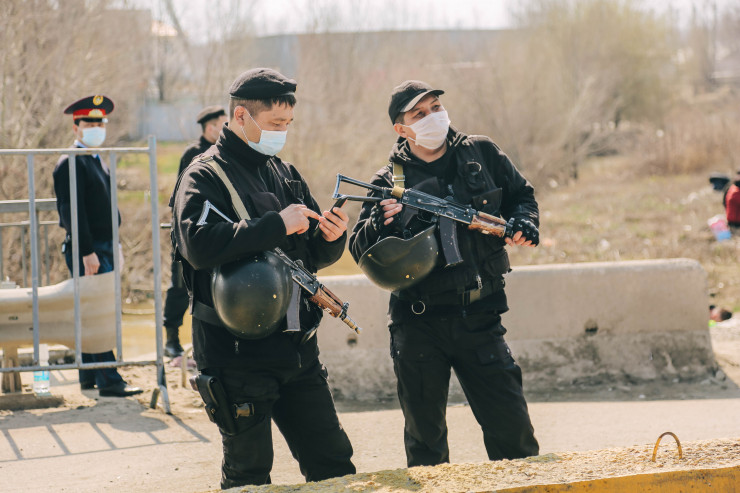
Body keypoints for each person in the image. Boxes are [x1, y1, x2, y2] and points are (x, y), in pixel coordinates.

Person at [171, 68, 355, 488]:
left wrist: (332, 238)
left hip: (297, 349)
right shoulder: (202, 175)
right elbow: (197, 245)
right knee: (249, 474)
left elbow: (310, 257)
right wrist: (276, 225)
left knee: (333, 464)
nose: (282, 132)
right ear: (241, 116)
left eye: (288, 123)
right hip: (235, 354)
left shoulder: (285, 173)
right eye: (275, 123)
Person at [349, 80, 540, 467]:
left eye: (436, 107)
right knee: (426, 443)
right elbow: (359, 246)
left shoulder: (481, 153)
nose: (432, 117)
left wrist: (524, 221)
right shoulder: (388, 181)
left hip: (480, 315)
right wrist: (380, 227)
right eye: (419, 114)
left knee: (513, 433)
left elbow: (522, 195)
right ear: (402, 128)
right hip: (418, 323)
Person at [52, 95, 143, 398]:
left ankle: (90, 375)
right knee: (98, 313)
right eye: (89, 123)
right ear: (75, 127)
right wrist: (87, 251)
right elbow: (71, 212)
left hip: (103, 245)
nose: (95, 128)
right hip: (89, 249)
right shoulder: (71, 161)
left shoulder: (93, 158)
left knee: (93, 310)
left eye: (99, 123)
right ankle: (109, 379)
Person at [163, 106, 227, 357]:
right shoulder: (193, 154)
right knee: (180, 287)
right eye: (223, 125)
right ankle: (171, 339)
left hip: (215, 233)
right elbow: (181, 199)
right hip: (190, 234)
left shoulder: (225, 153)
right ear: (210, 128)